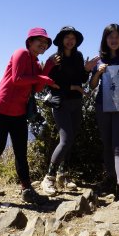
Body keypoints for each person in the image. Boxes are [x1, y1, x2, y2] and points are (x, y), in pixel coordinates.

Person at [0, 27, 58, 207]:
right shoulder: (20, 53)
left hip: (19, 112)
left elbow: (36, 88)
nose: (44, 44)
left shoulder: (36, 63)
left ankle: (27, 190)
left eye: (46, 43)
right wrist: (44, 78)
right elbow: (17, 78)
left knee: (21, 153)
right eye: (40, 40)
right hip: (1, 108)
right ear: (30, 41)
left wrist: (48, 67)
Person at [40, 26, 99, 196]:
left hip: (75, 102)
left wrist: (87, 69)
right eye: (67, 37)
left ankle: (62, 175)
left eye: (73, 38)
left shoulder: (78, 56)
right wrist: (74, 87)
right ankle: (48, 178)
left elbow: (81, 78)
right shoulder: (55, 58)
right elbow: (52, 83)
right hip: (61, 103)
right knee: (65, 140)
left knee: (70, 139)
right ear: (61, 40)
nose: (70, 40)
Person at [90, 23, 119, 201]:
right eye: (110, 37)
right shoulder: (99, 59)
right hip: (102, 105)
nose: (114, 40)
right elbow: (92, 85)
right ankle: (110, 178)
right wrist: (97, 74)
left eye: (117, 37)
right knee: (107, 143)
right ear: (105, 40)